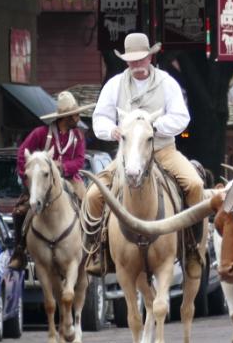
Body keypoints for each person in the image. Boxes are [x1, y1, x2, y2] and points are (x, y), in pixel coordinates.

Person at [83, 32, 205, 276]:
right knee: (93, 195)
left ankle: (193, 248)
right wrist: (113, 130)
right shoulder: (115, 84)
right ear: (126, 60)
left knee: (195, 185)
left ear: (151, 56)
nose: (137, 64)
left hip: (162, 150)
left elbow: (182, 117)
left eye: (141, 58)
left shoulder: (167, 82)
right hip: (127, 156)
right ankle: (96, 250)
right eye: (132, 60)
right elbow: (100, 118)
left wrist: (155, 128)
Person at [9, 91, 92, 270]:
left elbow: (79, 161)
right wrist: (29, 179)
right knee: (19, 212)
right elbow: (22, 154)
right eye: (75, 114)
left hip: (71, 180)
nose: (78, 117)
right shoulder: (41, 133)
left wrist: (62, 167)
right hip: (41, 182)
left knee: (90, 207)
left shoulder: (78, 136)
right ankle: (19, 251)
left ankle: (92, 251)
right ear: (66, 117)